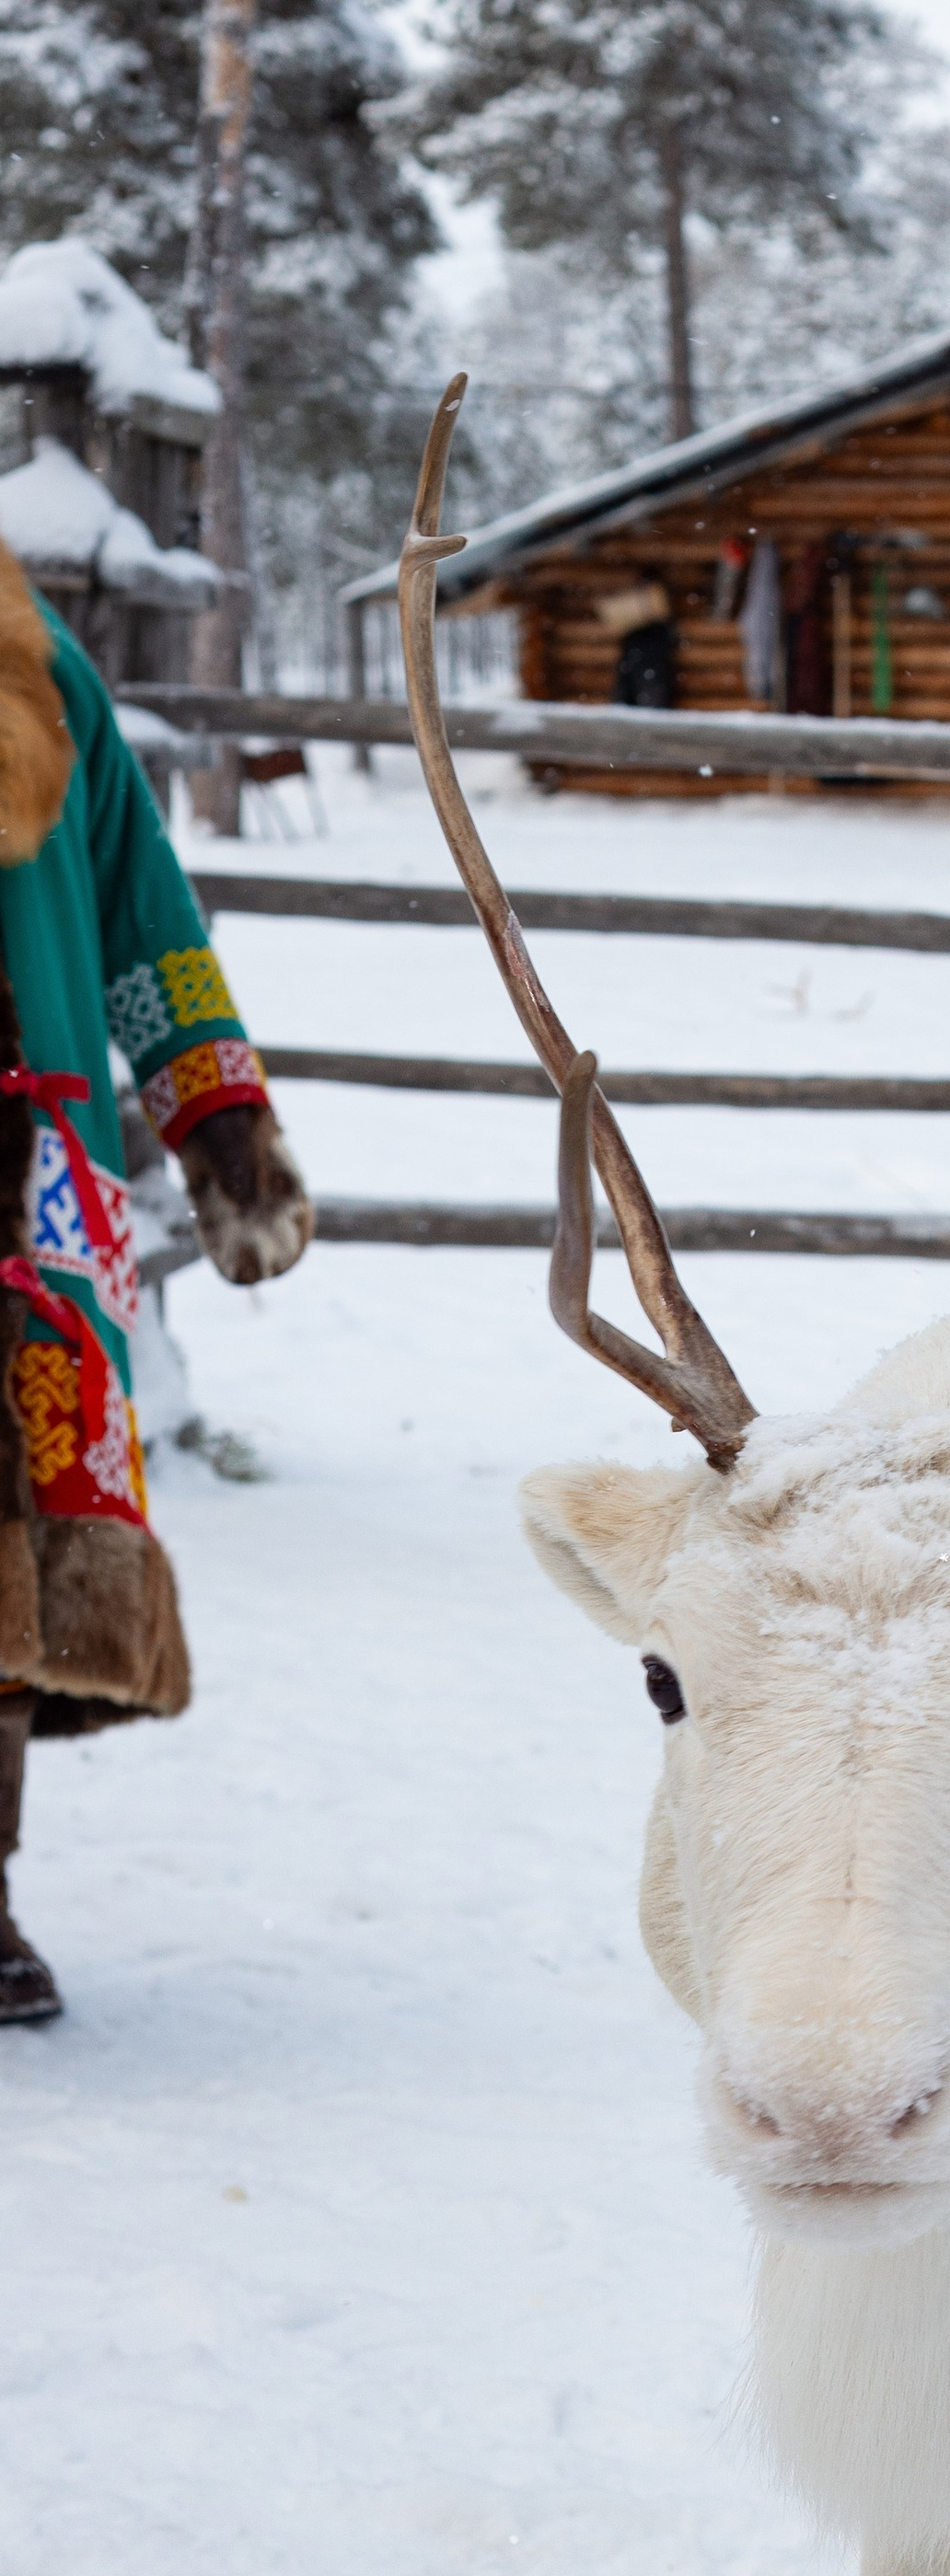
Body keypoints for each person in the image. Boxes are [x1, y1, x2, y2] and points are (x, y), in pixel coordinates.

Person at [0, 533, 312, 2024]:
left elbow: (144, 911)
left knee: (14, 1554)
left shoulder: (39, 661)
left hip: (34, 1189)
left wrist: (220, 1120)